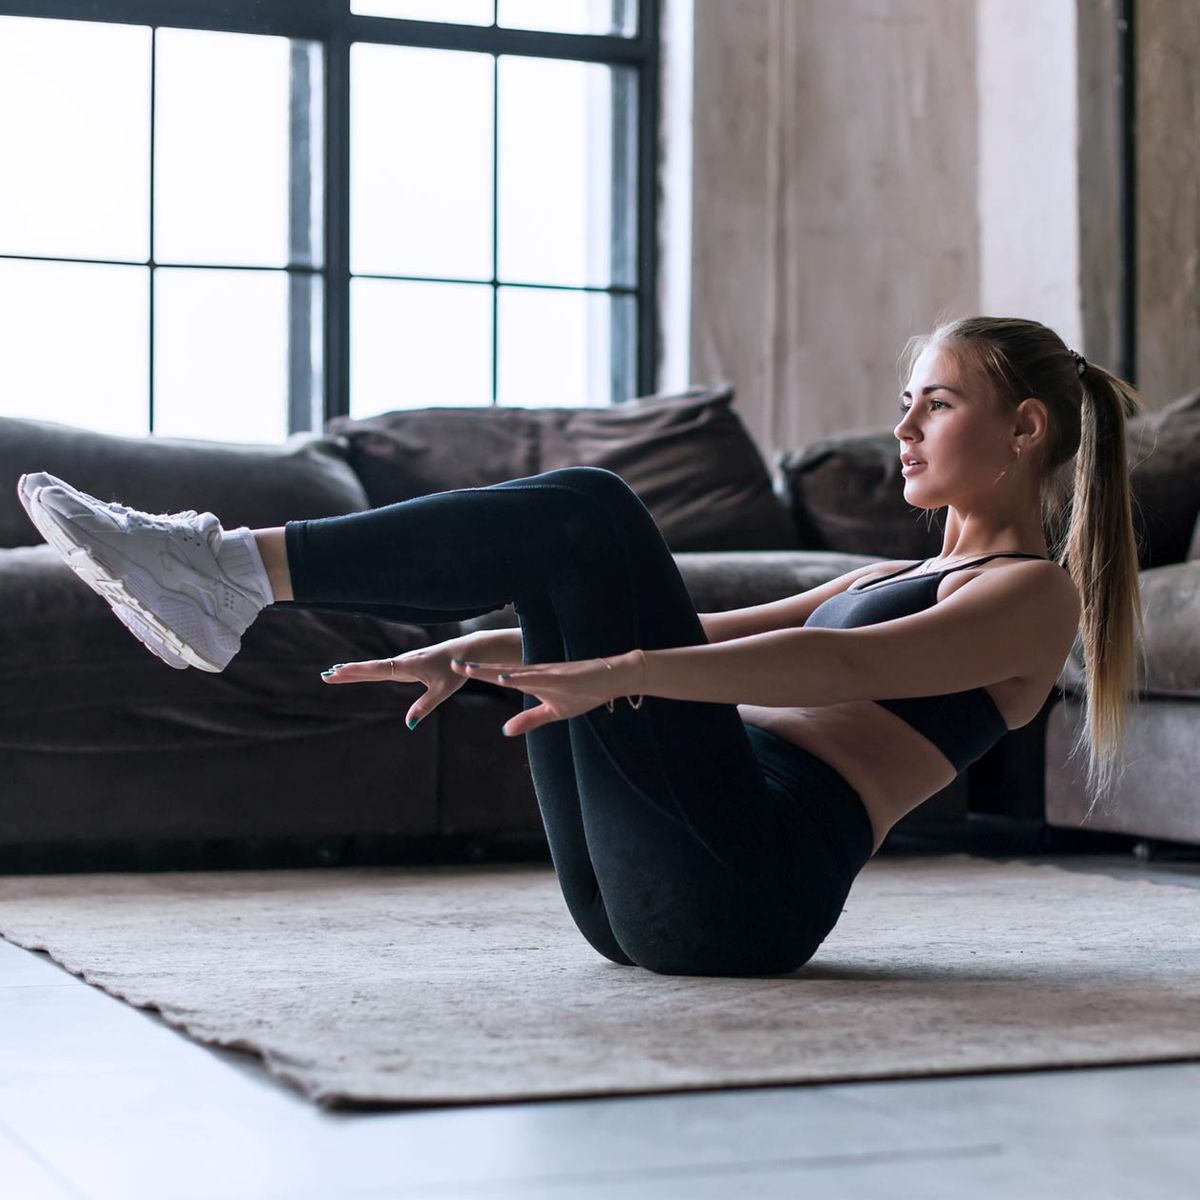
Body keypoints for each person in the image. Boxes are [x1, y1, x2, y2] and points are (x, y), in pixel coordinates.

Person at [15, 315, 1144, 978]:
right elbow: (683, 630)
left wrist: (631, 674)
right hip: (649, 896)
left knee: (595, 509)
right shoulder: (890, 574)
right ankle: (230, 578)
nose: (901, 429)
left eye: (934, 405)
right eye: (906, 403)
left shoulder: (1033, 595)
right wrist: (481, 648)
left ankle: (227, 569)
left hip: (747, 889)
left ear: (1025, 428)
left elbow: (842, 670)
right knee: (574, 545)